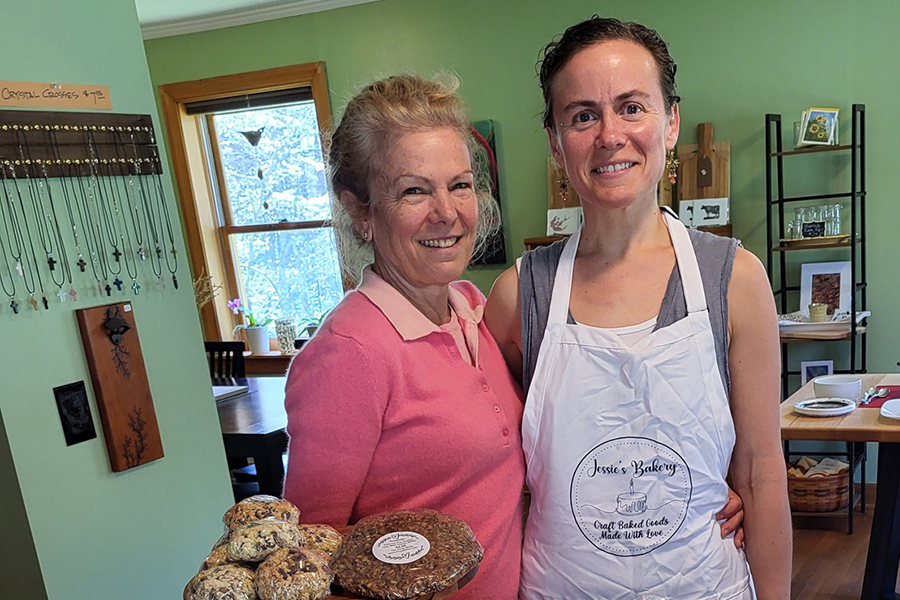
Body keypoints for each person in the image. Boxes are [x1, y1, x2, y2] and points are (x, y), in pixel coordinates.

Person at [485, 16, 791, 600]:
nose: (609, 135)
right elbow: (485, 462)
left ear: (670, 121)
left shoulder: (734, 280)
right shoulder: (518, 295)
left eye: (632, 106)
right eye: (582, 115)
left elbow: (760, 471)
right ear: (555, 142)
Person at [282, 74, 526, 600]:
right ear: (360, 211)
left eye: (459, 184)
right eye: (414, 190)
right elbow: (305, 557)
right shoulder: (349, 354)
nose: (446, 212)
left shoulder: (473, 310)